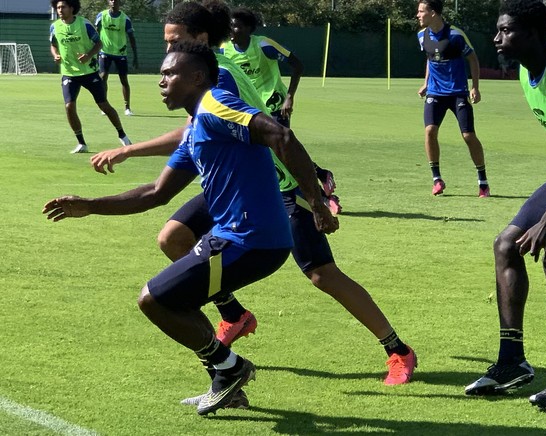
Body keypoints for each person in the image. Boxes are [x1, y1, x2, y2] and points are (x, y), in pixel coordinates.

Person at [90, 1, 418, 406]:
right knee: (173, 238)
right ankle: (233, 317)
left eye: (174, 41)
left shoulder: (219, 76)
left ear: (200, 40)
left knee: (322, 274)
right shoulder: (208, 73)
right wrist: (131, 152)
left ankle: (397, 349)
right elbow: (196, 130)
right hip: (234, 183)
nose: (168, 50)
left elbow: (248, 128)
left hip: (275, 182)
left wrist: (312, 191)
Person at [43, 41, 337, 416]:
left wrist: (315, 202)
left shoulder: (216, 105)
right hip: (236, 238)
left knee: (154, 300)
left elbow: (279, 134)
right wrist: (89, 206)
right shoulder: (197, 126)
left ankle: (230, 369)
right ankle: (225, 377)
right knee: (174, 299)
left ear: (197, 77)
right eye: (161, 74)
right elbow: (155, 192)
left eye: (169, 73)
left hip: (252, 239)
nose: (161, 81)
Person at [465, 0, 546, 411]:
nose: (497, 38)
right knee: (505, 246)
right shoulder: (524, 70)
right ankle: (513, 361)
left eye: (505, 30)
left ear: (532, 33)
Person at [221, 7, 341, 214]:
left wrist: (289, 96)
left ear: (249, 28)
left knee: (284, 151)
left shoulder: (264, 45)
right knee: (271, 153)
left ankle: (320, 198)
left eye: (236, 26)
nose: (232, 30)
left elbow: (298, 65)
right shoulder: (225, 49)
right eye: (230, 26)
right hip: (250, 107)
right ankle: (320, 176)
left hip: (275, 104)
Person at [416, 0, 490, 197]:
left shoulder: (455, 35)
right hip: (435, 92)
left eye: (421, 11)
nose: (418, 15)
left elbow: (472, 59)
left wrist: (475, 87)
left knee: (468, 136)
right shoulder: (422, 36)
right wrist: (426, 83)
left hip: (457, 92)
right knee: (430, 131)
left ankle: (483, 181)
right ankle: (437, 179)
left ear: (433, 13)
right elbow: (430, 59)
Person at [50, 0, 131, 153]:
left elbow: (99, 44)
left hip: (89, 72)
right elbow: (53, 44)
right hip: (69, 73)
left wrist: (88, 55)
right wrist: (55, 55)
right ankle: (81, 143)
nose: (60, 10)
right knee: (69, 106)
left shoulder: (84, 24)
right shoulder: (55, 26)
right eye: (58, 7)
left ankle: (123, 135)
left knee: (104, 105)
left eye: (63, 7)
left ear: (72, 8)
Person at [95, 0, 139, 116]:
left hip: (121, 53)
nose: (114, 1)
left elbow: (131, 37)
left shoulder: (125, 19)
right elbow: (96, 34)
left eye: (116, 0)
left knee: (124, 80)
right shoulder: (102, 16)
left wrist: (135, 56)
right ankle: (104, 105)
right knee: (103, 77)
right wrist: (94, 53)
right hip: (105, 52)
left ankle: (127, 107)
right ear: (108, 2)